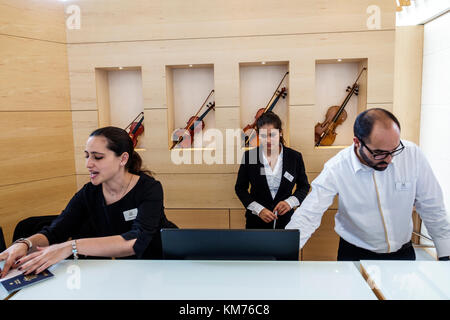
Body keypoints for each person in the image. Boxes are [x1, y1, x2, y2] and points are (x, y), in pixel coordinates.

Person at [0, 126, 176, 278]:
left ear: (123, 159)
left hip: (160, 266)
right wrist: (25, 244)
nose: (88, 164)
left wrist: (71, 246)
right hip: (123, 269)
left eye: (97, 157)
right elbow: (55, 231)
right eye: (87, 156)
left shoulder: (149, 188)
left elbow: (135, 242)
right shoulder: (89, 192)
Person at [286, 108, 450, 261]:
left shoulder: (411, 154)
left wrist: (446, 255)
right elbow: (309, 214)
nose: (389, 158)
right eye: (379, 153)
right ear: (357, 142)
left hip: (403, 254)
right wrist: (284, 254)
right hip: (355, 254)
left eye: (394, 150)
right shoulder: (337, 168)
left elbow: (432, 206)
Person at [235, 112, 310, 229]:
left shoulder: (294, 157)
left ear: (280, 133)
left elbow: (304, 186)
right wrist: (258, 210)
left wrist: (290, 203)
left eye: (272, 135)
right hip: (256, 223)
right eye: (264, 136)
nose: (268, 140)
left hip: (286, 223)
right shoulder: (250, 157)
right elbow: (240, 188)